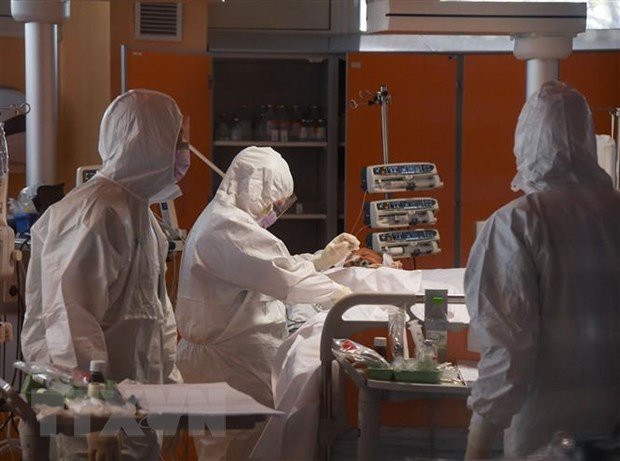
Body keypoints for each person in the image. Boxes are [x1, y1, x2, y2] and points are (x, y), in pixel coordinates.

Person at [21, 89, 189, 458]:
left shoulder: (143, 216)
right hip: (88, 417)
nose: (183, 152)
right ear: (147, 140)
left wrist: (170, 394)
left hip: (135, 406)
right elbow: (70, 322)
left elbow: (156, 318)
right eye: (177, 141)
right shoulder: (93, 213)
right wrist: (93, 414)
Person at [464, 81, 620, 459]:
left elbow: (507, 356)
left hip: (545, 435)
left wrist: (476, 449)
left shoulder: (518, 223)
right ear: (587, 140)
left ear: (525, 141)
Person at [175, 146, 358, 459]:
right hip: (229, 367)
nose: (273, 211)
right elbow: (286, 280)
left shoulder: (224, 219)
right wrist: (339, 295)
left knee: (230, 448)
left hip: (223, 361)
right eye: (273, 202)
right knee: (238, 450)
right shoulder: (229, 227)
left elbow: (267, 269)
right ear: (254, 187)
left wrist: (320, 260)